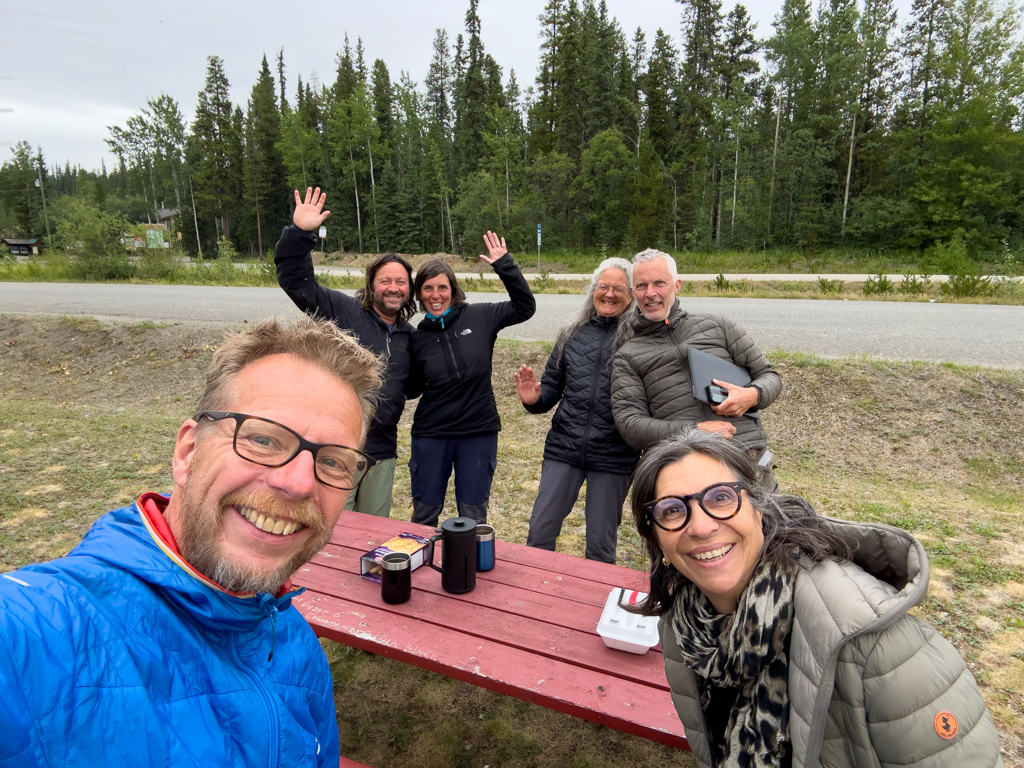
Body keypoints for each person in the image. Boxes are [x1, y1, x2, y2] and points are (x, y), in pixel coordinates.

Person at [0, 316, 383, 767]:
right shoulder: (42, 629)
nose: (299, 483)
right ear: (187, 452)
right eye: (262, 438)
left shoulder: (297, 645)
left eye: (334, 463)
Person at [629, 430, 1004, 768]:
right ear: (656, 539)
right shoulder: (687, 629)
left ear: (758, 507)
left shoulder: (873, 644)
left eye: (721, 497)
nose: (701, 526)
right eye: (672, 510)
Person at [275, 186, 415, 517]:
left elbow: (411, 386)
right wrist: (300, 234)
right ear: (371, 285)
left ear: (409, 290)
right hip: (337, 447)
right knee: (331, 527)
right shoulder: (343, 310)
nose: (393, 288)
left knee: (373, 531)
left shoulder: (410, 337)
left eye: (400, 282)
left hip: (382, 450)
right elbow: (297, 282)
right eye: (384, 281)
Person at [611, 249, 782, 489]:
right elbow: (631, 425)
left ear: (677, 285)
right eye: (641, 286)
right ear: (632, 292)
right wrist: (696, 431)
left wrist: (752, 395)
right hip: (685, 467)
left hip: (746, 456)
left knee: (768, 525)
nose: (650, 293)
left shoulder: (719, 325)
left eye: (659, 283)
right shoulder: (627, 356)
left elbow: (770, 376)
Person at [406, 231, 536, 525]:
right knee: (425, 513)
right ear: (419, 293)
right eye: (427, 288)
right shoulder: (415, 337)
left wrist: (505, 265)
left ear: (453, 288)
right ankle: (421, 565)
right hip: (431, 433)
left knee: (473, 515)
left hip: (478, 430)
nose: (435, 295)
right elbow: (411, 390)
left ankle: (470, 569)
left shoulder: (481, 317)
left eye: (442, 287)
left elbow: (525, 308)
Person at [514, 258, 639, 563]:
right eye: (603, 286)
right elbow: (552, 388)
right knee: (540, 533)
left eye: (618, 289)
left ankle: (596, 605)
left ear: (632, 295)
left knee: (600, 545)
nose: (609, 294)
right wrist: (534, 399)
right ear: (593, 289)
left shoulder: (641, 338)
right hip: (564, 448)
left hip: (613, 455)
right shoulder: (572, 332)